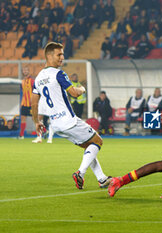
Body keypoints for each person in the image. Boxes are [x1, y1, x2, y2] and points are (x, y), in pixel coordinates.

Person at [31, 42, 111, 189]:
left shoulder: (38, 79)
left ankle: (102, 179)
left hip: (56, 124)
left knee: (89, 146)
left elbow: (34, 104)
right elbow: (73, 93)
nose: (62, 57)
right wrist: (82, 88)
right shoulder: (58, 74)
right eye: (59, 54)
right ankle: (80, 173)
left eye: (62, 54)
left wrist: (37, 122)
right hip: (68, 120)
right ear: (49, 56)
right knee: (98, 141)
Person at [18, 66, 34, 139]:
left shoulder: (32, 81)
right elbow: (23, 93)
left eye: (26, 70)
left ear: (29, 71)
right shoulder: (22, 82)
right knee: (23, 119)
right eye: (24, 70)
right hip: (24, 104)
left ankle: (43, 132)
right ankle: (21, 135)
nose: (25, 71)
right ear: (22, 72)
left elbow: (35, 91)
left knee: (35, 119)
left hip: (31, 104)